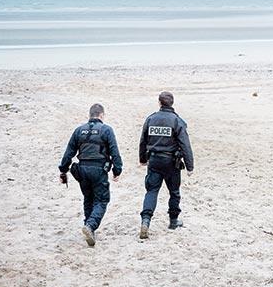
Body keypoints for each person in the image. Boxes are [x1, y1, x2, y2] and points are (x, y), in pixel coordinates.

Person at [58, 103, 123, 247]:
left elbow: (69, 152)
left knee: (88, 198)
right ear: (101, 115)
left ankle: (89, 227)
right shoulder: (106, 130)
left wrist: (63, 170)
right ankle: (91, 226)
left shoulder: (79, 130)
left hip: (82, 170)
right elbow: (114, 152)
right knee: (101, 200)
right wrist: (117, 170)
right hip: (99, 170)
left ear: (90, 115)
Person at [138, 91, 194, 237]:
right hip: (171, 162)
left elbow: (143, 141)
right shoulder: (177, 121)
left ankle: (145, 220)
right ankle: (173, 221)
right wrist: (190, 166)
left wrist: (143, 159)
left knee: (151, 191)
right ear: (172, 103)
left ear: (159, 103)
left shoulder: (151, 119)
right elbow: (185, 144)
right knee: (174, 192)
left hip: (154, 161)